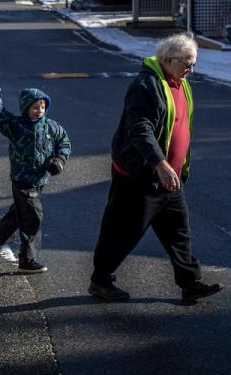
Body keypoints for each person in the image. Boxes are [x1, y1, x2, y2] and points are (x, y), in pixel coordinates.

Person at [89, 33, 222, 303]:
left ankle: (190, 283)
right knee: (123, 232)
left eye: (193, 64)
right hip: (140, 176)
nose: (191, 70)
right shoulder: (145, 86)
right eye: (187, 64)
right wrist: (160, 163)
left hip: (170, 177)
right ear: (168, 60)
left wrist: (177, 166)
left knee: (179, 232)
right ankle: (100, 281)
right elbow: (140, 130)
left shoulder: (181, 82)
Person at [0, 71, 71, 273]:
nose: (40, 110)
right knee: (33, 217)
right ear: (26, 108)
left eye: (43, 106)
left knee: (17, 216)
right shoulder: (17, 127)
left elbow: (64, 142)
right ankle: (27, 260)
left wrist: (60, 159)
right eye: (35, 107)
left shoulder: (51, 127)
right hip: (22, 181)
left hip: (40, 180)